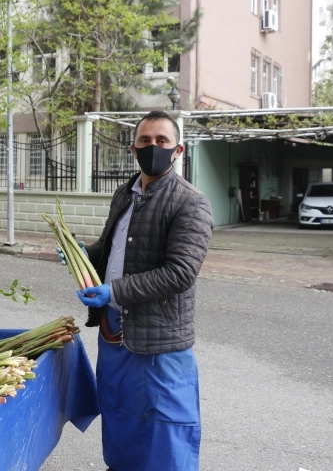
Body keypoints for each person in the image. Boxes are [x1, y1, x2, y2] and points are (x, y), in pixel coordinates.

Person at [70, 110, 213, 470]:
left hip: (158, 339)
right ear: (133, 149)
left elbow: (180, 273)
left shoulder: (190, 202)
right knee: (120, 412)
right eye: (145, 141)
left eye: (162, 141)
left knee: (164, 423)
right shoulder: (125, 193)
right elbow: (111, 247)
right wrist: (82, 254)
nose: (153, 147)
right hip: (115, 330)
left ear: (178, 150)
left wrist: (113, 291)